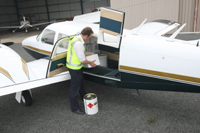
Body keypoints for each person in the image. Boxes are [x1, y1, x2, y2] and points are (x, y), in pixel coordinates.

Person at [66, 27, 96, 115]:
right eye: (89, 37)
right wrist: (91, 62)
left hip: (75, 67)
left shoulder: (76, 39)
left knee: (81, 83)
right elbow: (82, 60)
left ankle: (84, 97)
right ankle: (75, 108)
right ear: (86, 35)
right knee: (74, 88)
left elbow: (77, 53)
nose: (89, 39)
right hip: (74, 68)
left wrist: (87, 54)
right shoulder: (78, 43)